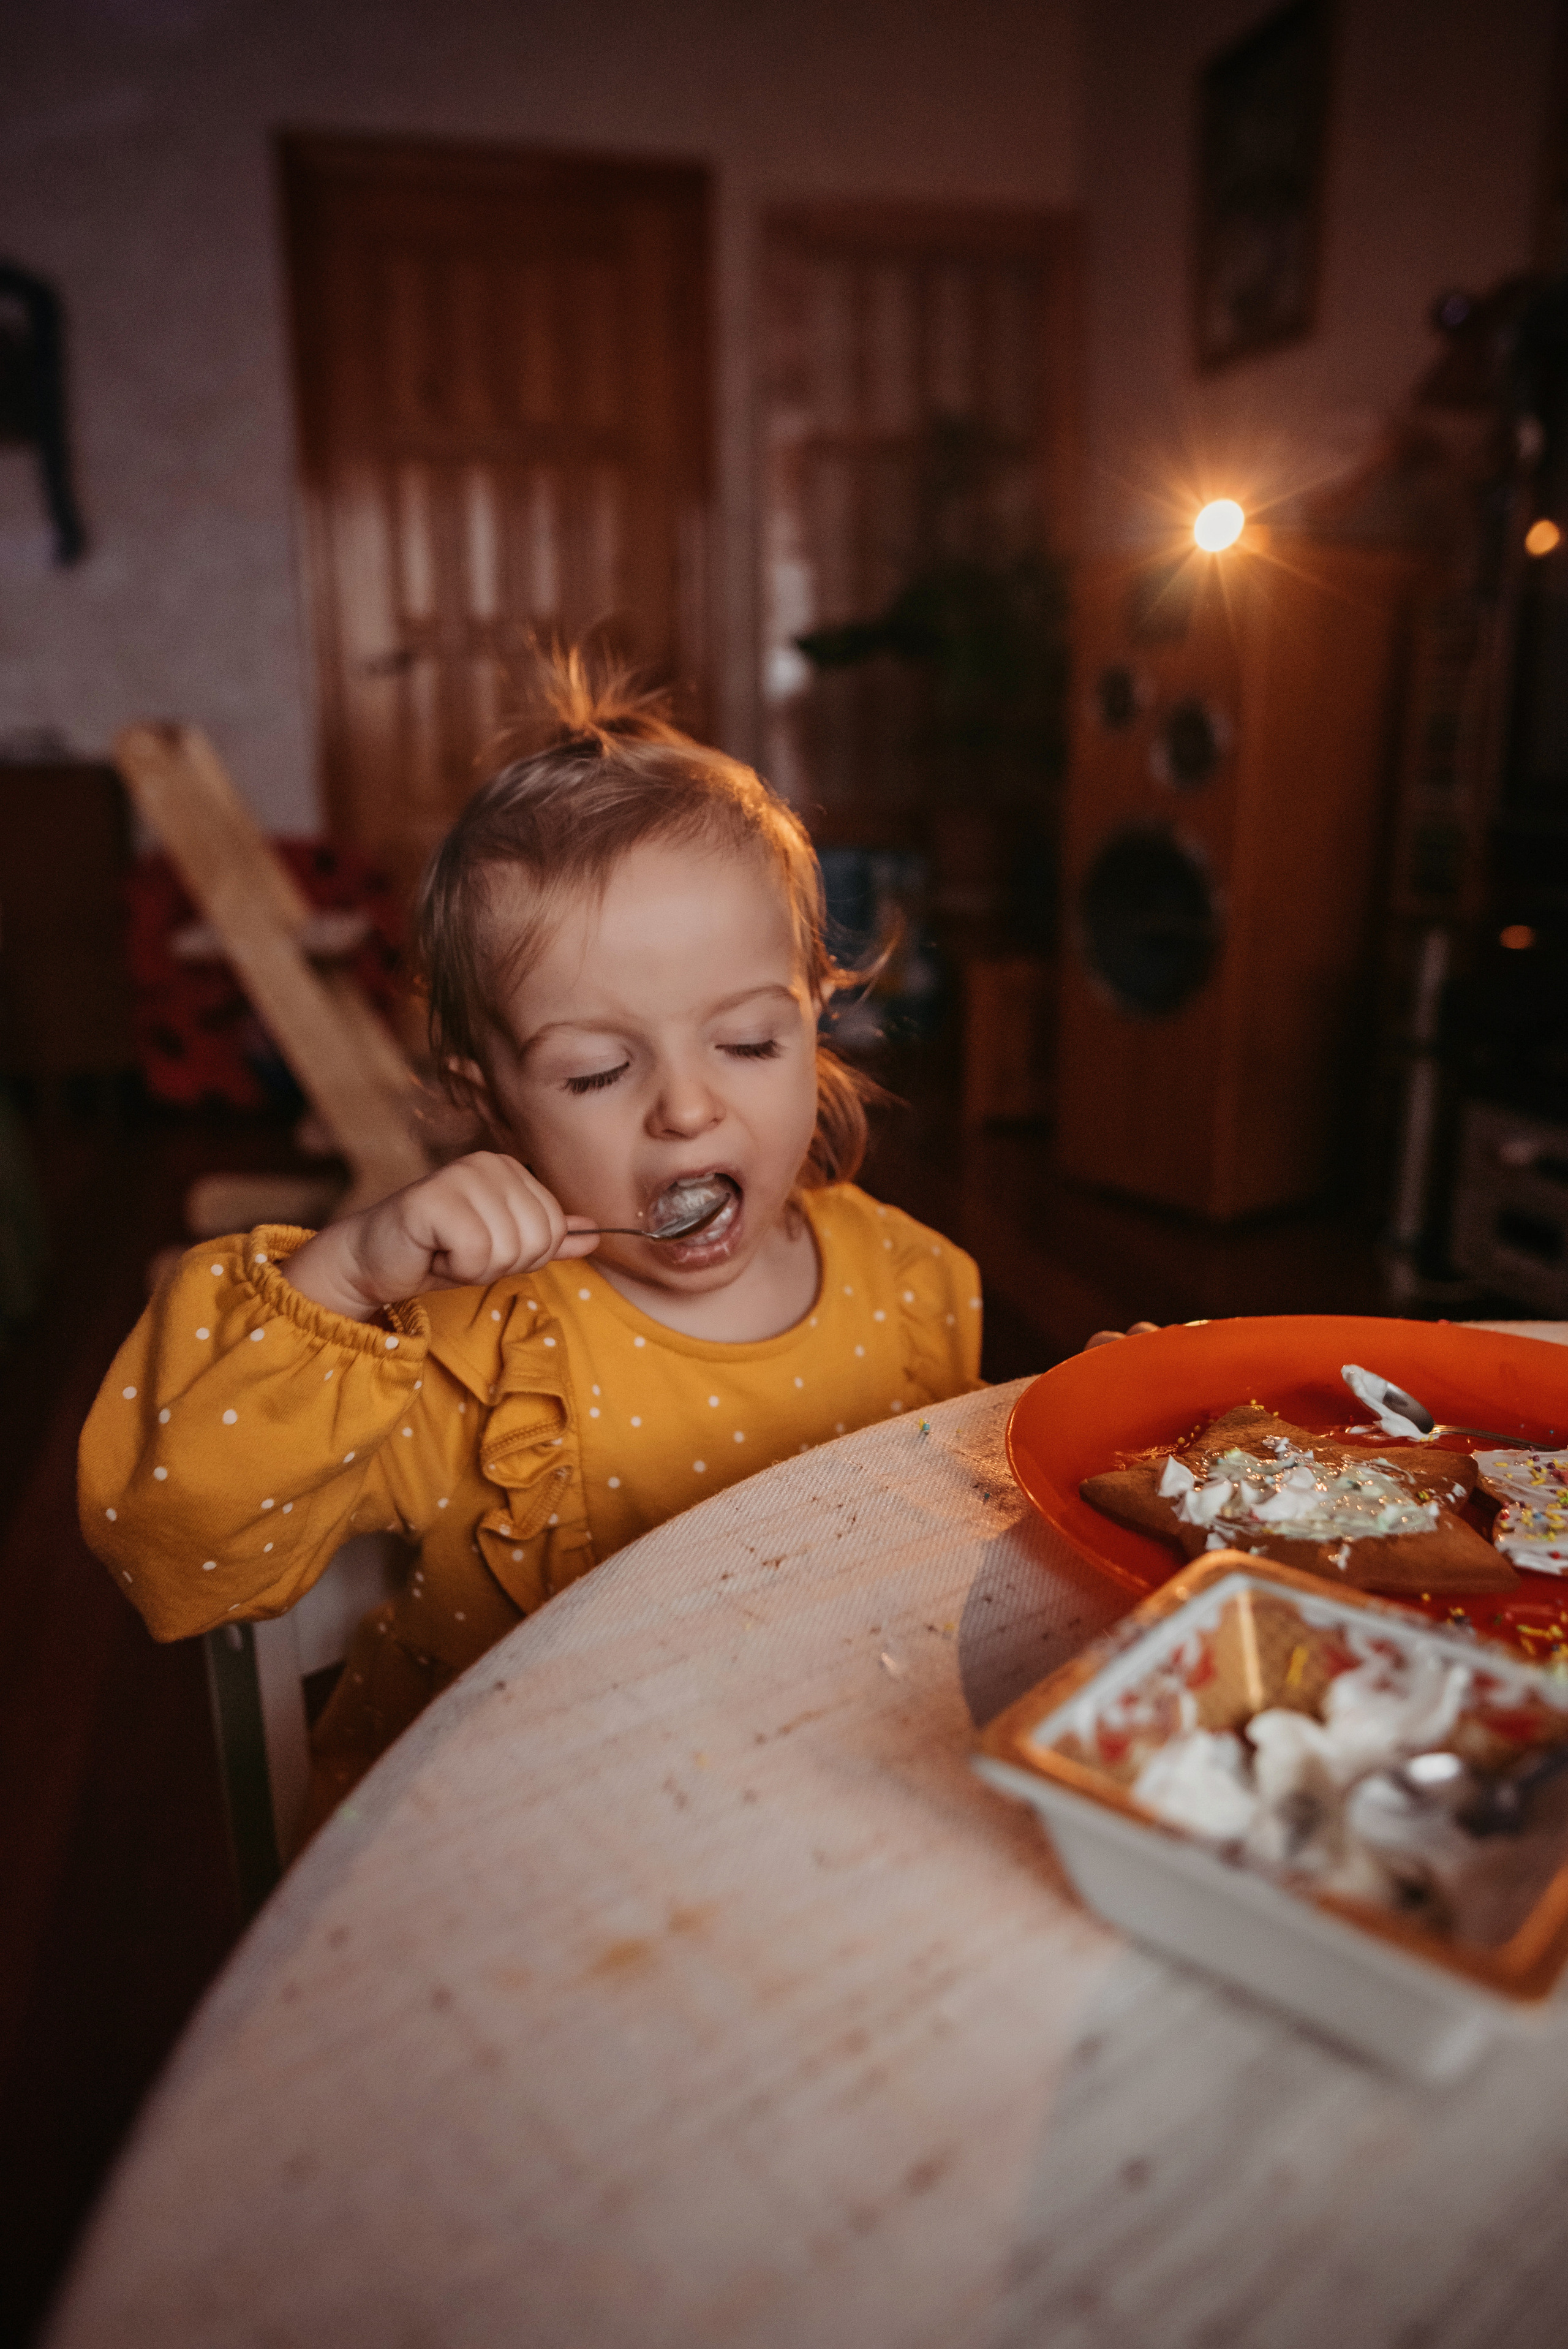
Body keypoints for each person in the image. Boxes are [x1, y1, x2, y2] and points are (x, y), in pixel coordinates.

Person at [79, 657, 984, 1826]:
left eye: (750, 1043)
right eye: (596, 1071)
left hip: (822, 1808)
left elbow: (947, 1576)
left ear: (816, 1016)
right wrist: (342, 1277)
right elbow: (173, 1549)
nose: (687, 1108)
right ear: (491, 1098)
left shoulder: (912, 1289)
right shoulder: (481, 1357)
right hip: (519, 1834)